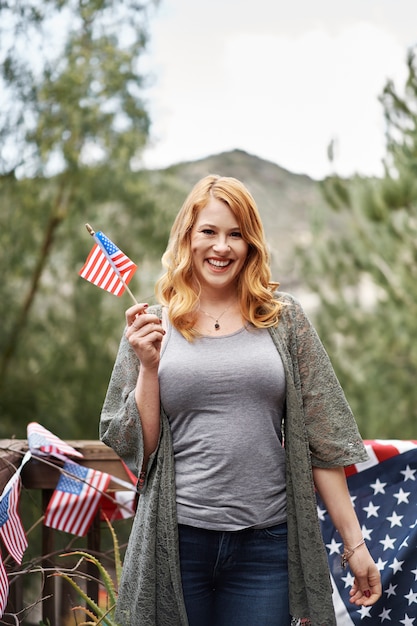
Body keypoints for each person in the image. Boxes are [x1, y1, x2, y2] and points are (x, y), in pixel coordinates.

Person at [100, 175, 382, 626]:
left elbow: (323, 440)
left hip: (265, 547)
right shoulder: (151, 325)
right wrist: (149, 367)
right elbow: (142, 449)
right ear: (188, 237)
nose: (222, 246)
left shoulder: (283, 318)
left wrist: (355, 546)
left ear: (251, 245)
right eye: (209, 231)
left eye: (236, 234)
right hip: (177, 543)